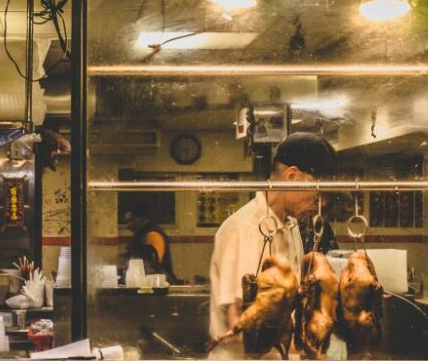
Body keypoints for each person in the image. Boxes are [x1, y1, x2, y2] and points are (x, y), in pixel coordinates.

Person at [208, 132, 341, 359]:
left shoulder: (291, 228)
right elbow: (239, 322)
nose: (321, 202)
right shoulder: (243, 229)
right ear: (292, 176)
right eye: (317, 193)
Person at [122, 201, 181, 284]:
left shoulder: (153, 235)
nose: (128, 225)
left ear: (142, 218)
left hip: (158, 283)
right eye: (126, 222)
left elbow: (152, 265)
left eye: (131, 220)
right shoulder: (140, 235)